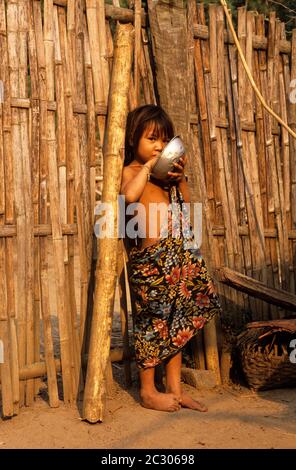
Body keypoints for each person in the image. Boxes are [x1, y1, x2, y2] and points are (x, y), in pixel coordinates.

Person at [120, 104, 221, 412]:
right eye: (152, 139)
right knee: (152, 324)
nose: (159, 147)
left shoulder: (169, 179)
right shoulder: (132, 172)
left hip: (178, 257)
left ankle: (175, 390)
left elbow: (187, 207)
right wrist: (149, 168)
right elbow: (127, 198)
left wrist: (179, 179)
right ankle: (149, 391)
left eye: (163, 140)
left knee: (176, 325)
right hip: (150, 263)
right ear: (132, 140)